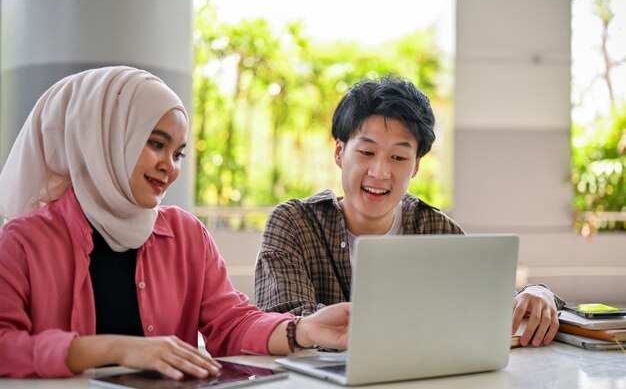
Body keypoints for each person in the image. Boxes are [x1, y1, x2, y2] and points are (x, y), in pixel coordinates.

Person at [0, 66, 349, 379]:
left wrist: (302, 330)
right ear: (103, 138)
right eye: (156, 144)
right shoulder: (24, 240)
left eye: (178, 153)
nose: (171, 166)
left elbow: (231, 323)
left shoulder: (186, 234)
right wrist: (117, 349)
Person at [254, 75, 565, 347]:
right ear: (339, 152)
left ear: (416, 165)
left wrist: (539, 294)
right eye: (366, 152)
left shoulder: (434, 227)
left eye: (398, 158)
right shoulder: (294, 224)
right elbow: (284, 323)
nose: (379, 172)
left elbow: (492, 300)